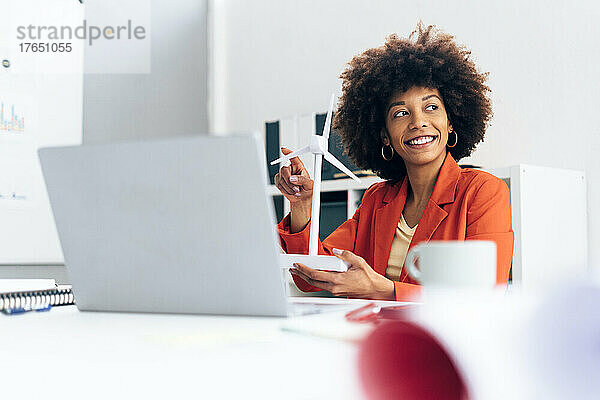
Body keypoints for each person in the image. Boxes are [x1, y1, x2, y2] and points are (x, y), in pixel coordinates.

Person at [274, 23, 514, 301]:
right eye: (401, 113)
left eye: (431, 107)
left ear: (451, 123)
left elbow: (482, 297)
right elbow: (312, 277)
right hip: (376, 334)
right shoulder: (377, 199)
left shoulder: (483, 192)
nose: (418, 122)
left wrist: (382, 290)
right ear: (385, 136)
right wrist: (302, 205)